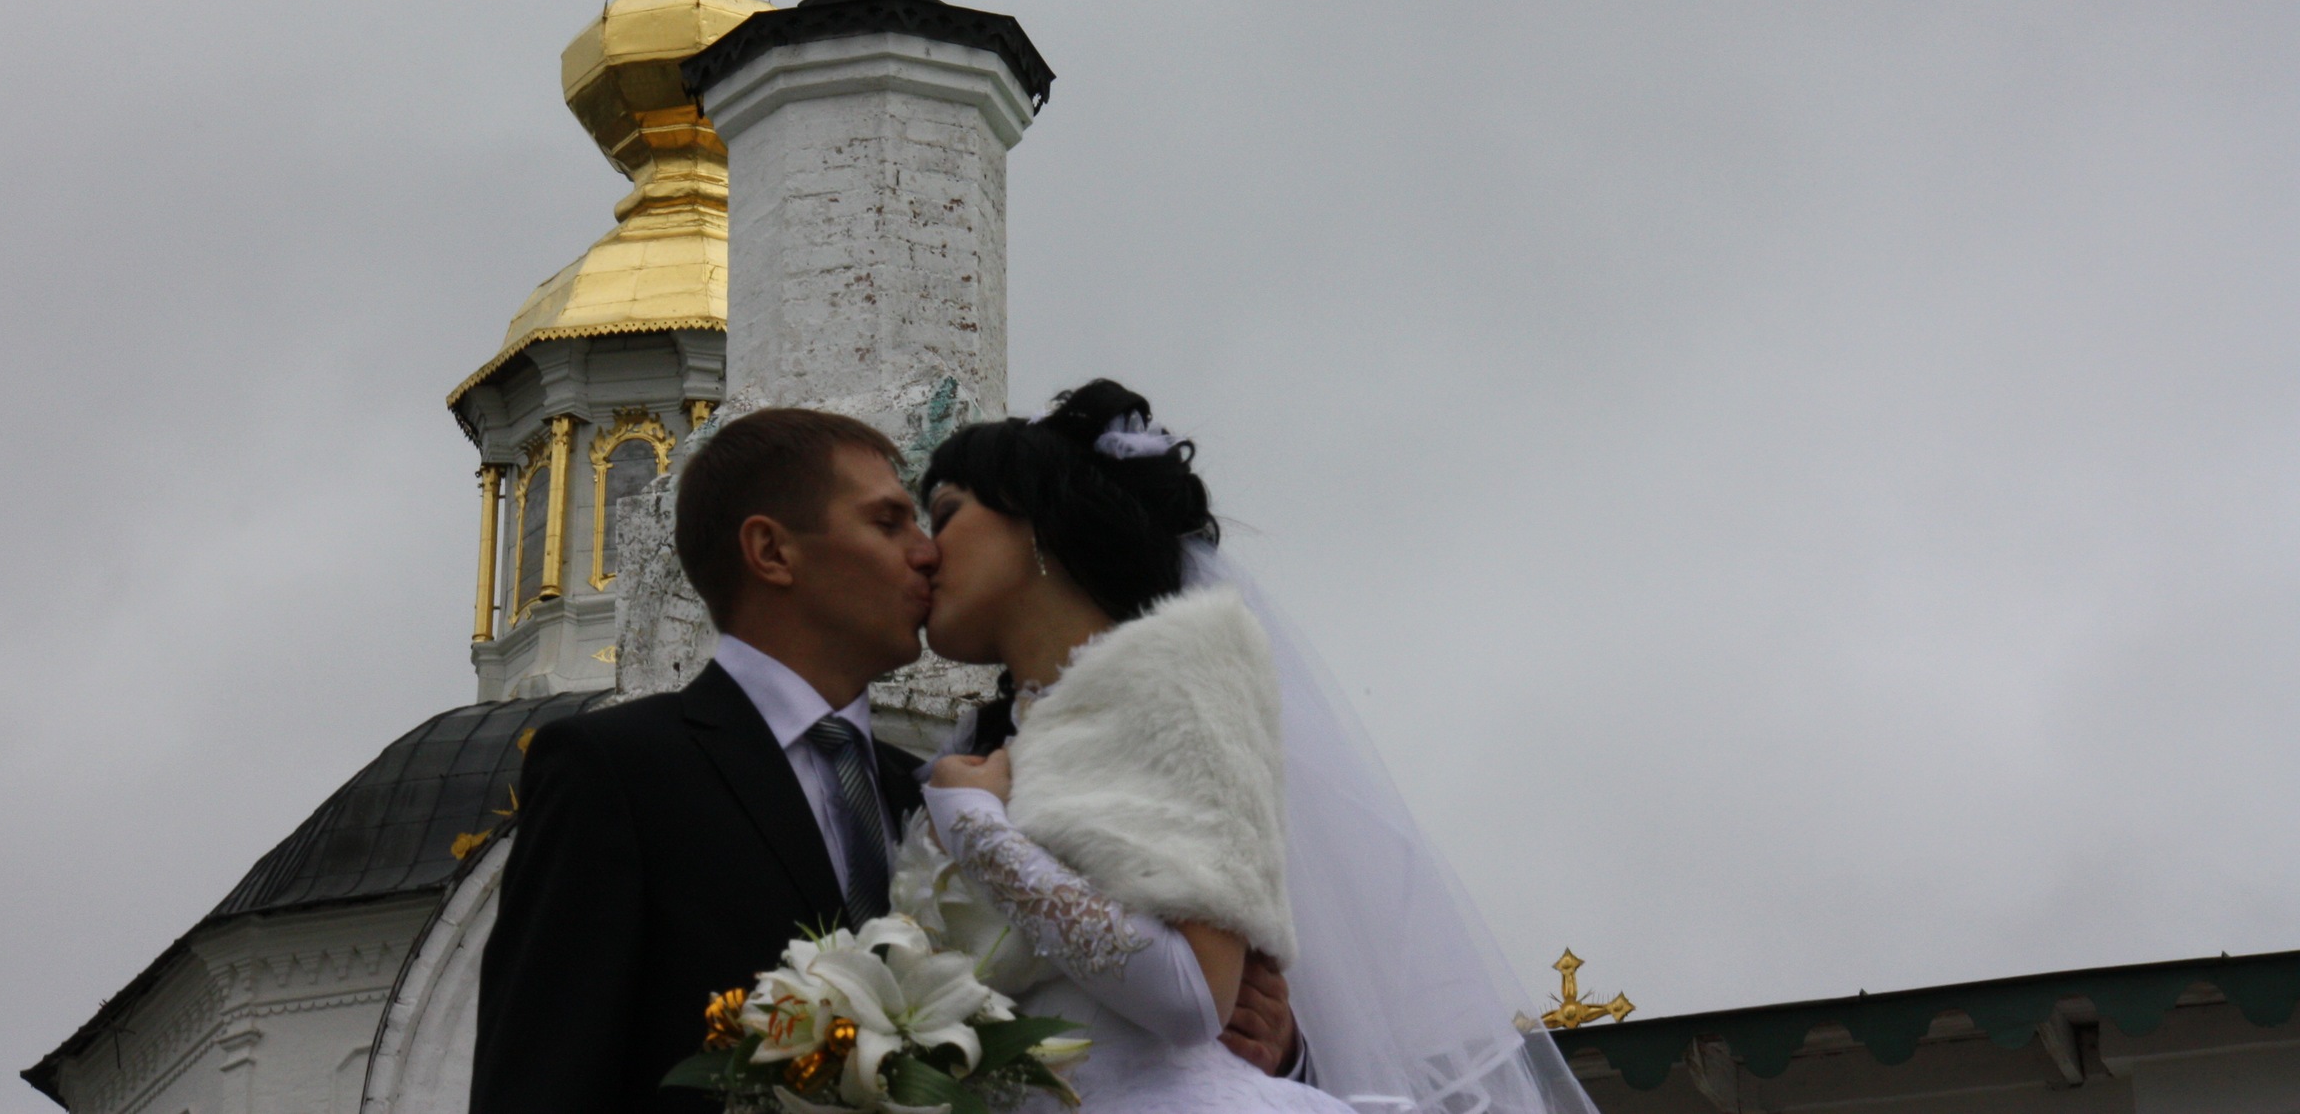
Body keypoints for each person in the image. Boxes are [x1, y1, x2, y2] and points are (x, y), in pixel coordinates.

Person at [468, 405, 1302, 1114]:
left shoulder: (940, 786)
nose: (927, 551)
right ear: (773, 551)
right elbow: (539, 1078)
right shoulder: (619, 770)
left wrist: (1273, 1048)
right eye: (889, 521)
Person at [902, 381, 1599, 1114]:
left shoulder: (1178, 678)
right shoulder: (976, 750)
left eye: (945, 515)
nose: (923, 552)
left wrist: (977, 828)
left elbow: (1191, 997)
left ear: (1039, 520)